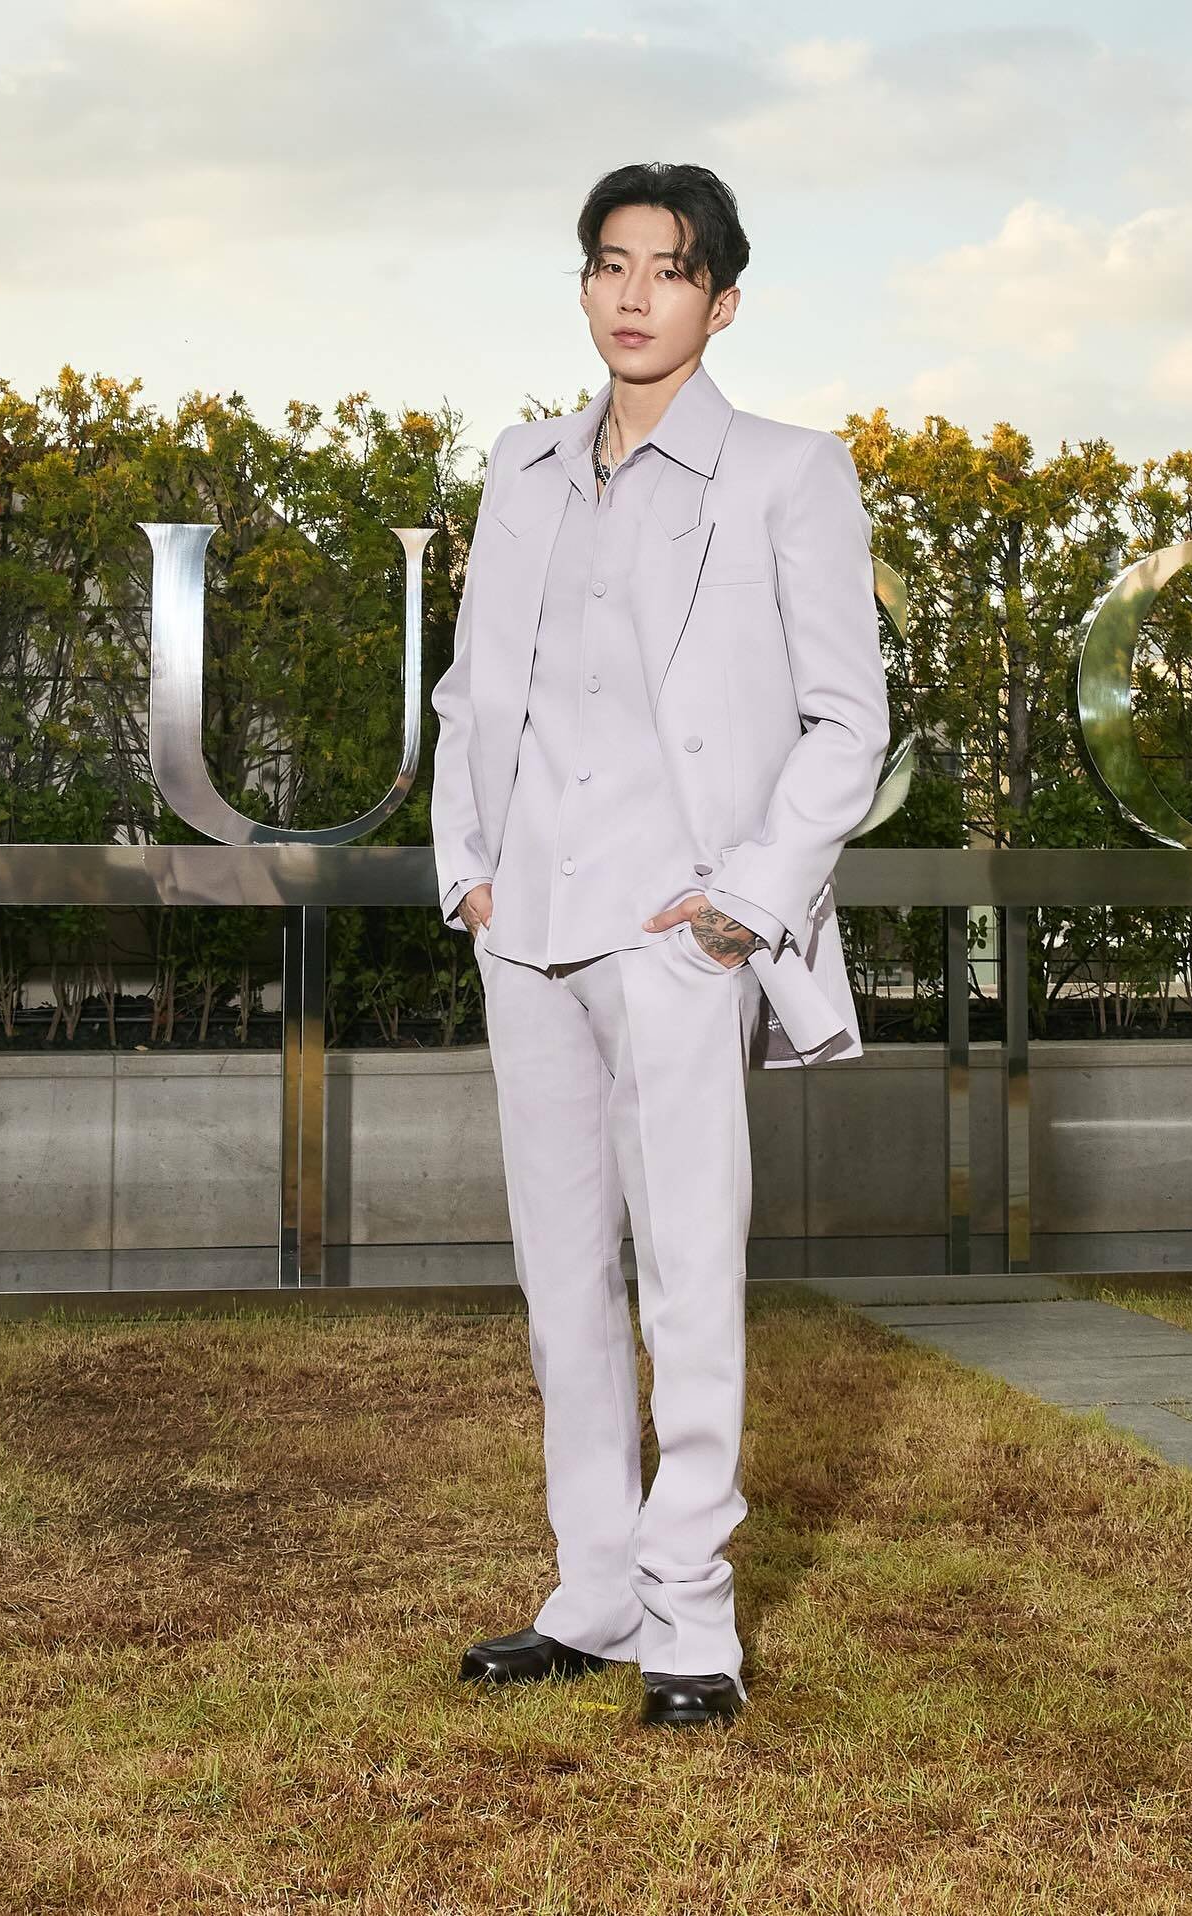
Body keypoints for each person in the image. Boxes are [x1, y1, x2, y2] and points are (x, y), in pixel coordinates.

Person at [429, 161, 889, 1730]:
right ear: (583, 285)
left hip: (678, 936)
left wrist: (743, 901)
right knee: (562, 1283)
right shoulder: (522, 465)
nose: (634, 295)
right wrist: (468, 874)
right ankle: (596, 1590)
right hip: (527, 931)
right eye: (610, 264)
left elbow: (848, 723)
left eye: (670, 269)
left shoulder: (788, 472)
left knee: (690, 1273)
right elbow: (472, 691)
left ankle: (692, 1613)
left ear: (722, 300)